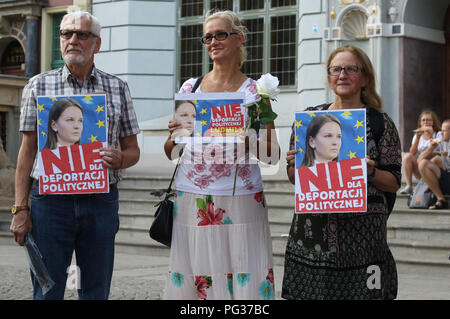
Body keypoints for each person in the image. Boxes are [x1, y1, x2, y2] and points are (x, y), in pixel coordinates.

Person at [9, 11, 140, 300]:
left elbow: (133, 151)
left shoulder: (117, 88)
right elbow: (27, 151)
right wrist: (20, 209)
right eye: (66, 34)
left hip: (101, 203)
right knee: (47, 290)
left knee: (95, 289)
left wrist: (121, 158)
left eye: (82, 35)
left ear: (97, 43)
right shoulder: (38, 86)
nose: (73, 40)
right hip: (49, 203)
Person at [163, 9, 279, 300]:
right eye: (208, 37)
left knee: (243, 268)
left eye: (221, 34)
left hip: (240, 197)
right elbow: (172, 152)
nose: (213, 41)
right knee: (198, 271)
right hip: (193, 196)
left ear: (239, 39)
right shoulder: (191, 88)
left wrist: (250, 138)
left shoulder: (257, 93)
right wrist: (174, 135)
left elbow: (272, 155)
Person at [283, 45, 401, 299]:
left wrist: (369, 173)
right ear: (328, 77)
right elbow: (295, 180)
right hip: (312, 241)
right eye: (336, 69)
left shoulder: (381, 123)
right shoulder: (308, 119)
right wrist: (295, 166)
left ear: (366, 78)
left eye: (351, 69)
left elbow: (393, 182)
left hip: (364, 241)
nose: (342, 75)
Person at [400, 110, 441, 194]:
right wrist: (418, 138)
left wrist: (431, 135)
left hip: (433, 167)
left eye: (429, 120)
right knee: (407, 156)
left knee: (429, 159)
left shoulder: (438, 134)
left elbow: (439, 150)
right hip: (419, 167)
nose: (426, 122)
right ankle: (409, 186)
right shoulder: (417, 135)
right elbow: (412, 153)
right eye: (423, 120)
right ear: (420, 123)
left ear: (433, 122)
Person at [417, 119, 450, 209]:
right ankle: (441, 199)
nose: (441, 133)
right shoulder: (442, 142)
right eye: (441, 130)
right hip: (447, 178)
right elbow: (419, 161)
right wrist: (431, 148)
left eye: (444, 131)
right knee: (427, 162)